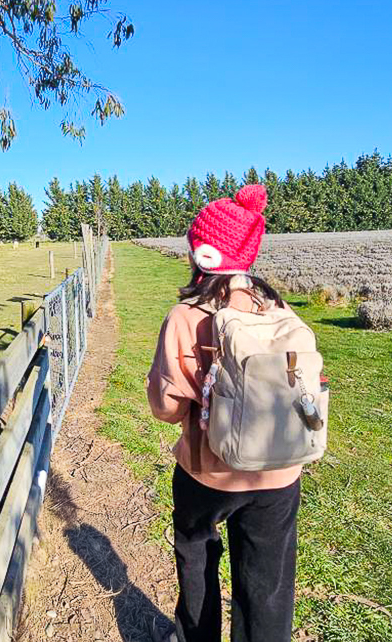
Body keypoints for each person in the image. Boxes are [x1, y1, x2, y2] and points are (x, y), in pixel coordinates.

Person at [147, 184, 302, 642]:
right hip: (278, 471)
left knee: (197, 563)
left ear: (204, 253)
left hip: (207, 471)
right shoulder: (278, 309)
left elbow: (166, 407)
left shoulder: (186, 315)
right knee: (268, 583)